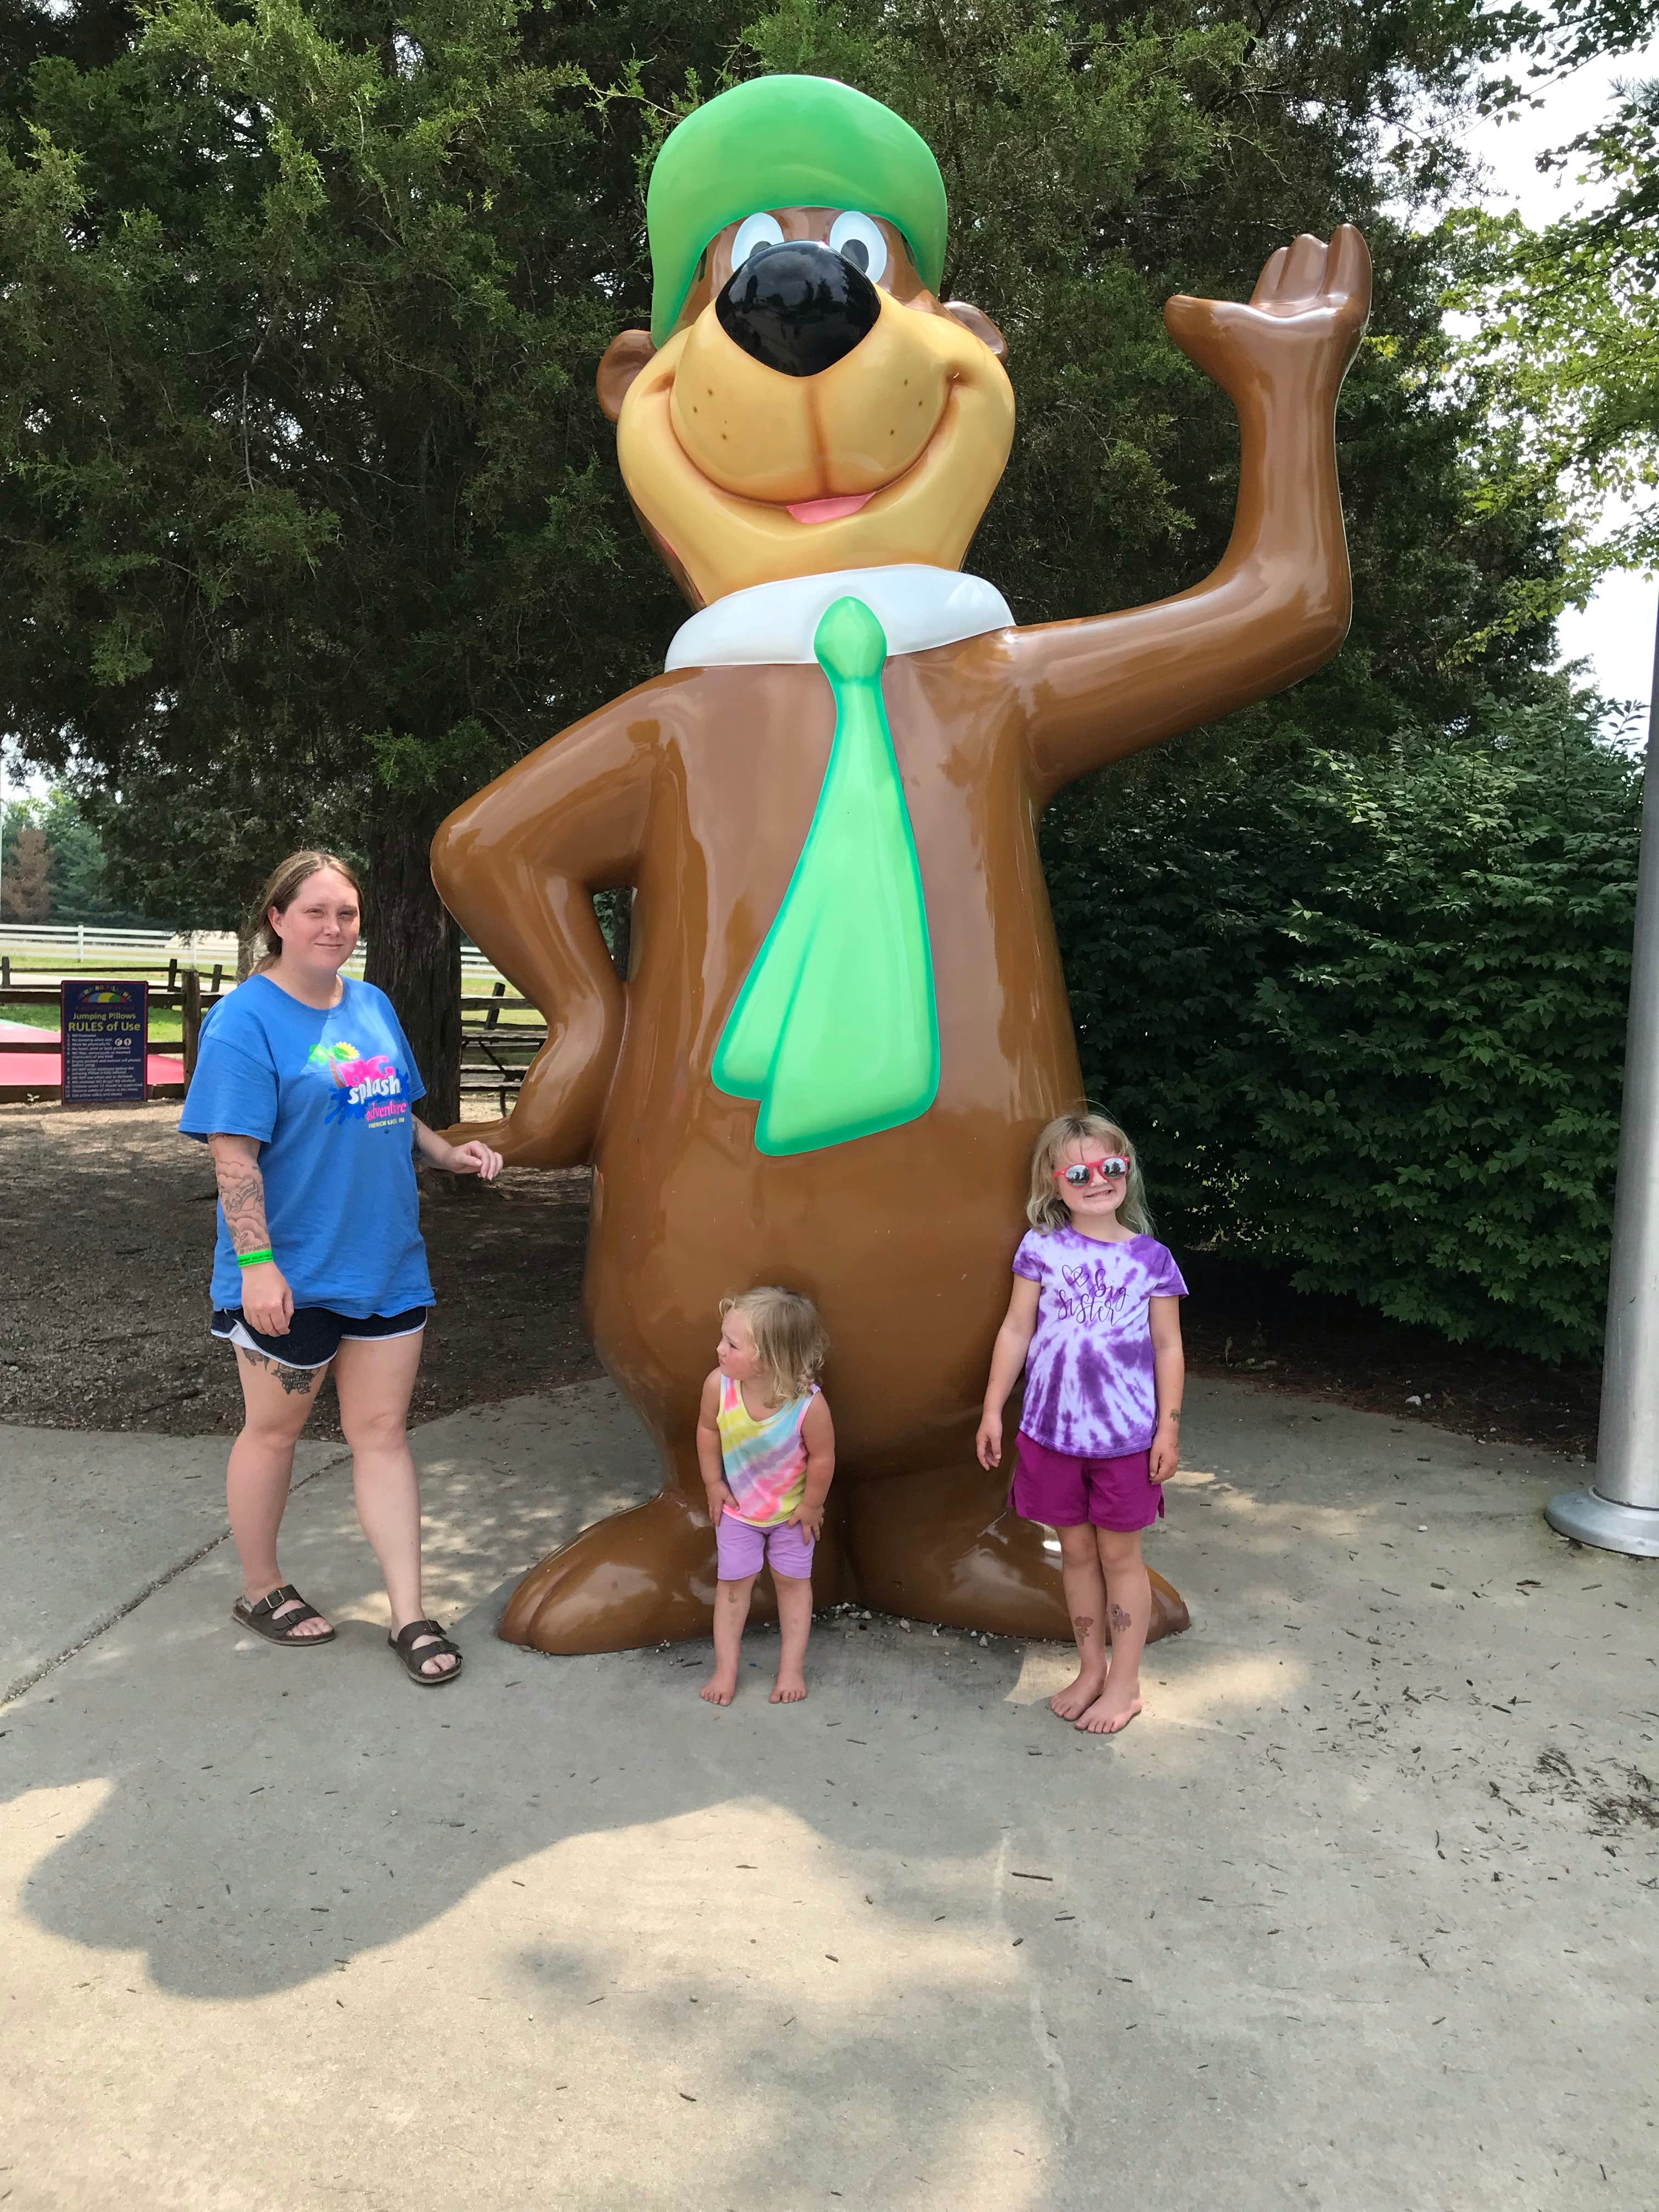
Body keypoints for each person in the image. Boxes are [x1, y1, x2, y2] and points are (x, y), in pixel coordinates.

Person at [179, 850, 502, 1685]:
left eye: (347, 914)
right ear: (276, 920)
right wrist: (256, 1266)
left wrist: (449, 1156)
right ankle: (261, 1587)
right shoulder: (245, 1021)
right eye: (316, 912)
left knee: (383, 1436)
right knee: (275, 1433)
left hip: (387, 1263)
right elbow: (233, 1155)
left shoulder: (373, 1004)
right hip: (292, 1273)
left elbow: (390, 1110)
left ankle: (409, 1612)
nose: (334, 928)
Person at [976, 1110, 1187, 1735]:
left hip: (1125, 1440)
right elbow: (1017, 1328)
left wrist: (1168, 1429)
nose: (1098, 1180)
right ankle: (1091, 1668)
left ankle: (1126, 1683)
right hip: (1051, 1434)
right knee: (1074, 1553)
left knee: (1120, 1556)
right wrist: (993, 1407)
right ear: (1054, 1178)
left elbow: (1169, 1348)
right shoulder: (1041, 1247)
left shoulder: (1153, 1259)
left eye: (1111, 1167)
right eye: (1080, 1171)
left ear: (1128, 1172)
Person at [696, 1287, 834, 1707]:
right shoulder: (719, 1387)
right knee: (733, 1587)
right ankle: (726, 1669)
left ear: (769, 1359)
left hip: (792, 1516)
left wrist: (812, 1505)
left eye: (732, 1344)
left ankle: (791, 1669)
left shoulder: (808, 1406)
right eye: (723, 1338)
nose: (719, 1349)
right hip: (739, 1514)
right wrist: (712, 1483)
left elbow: (823, 1458)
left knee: (793, 1585)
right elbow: (707, 1430)